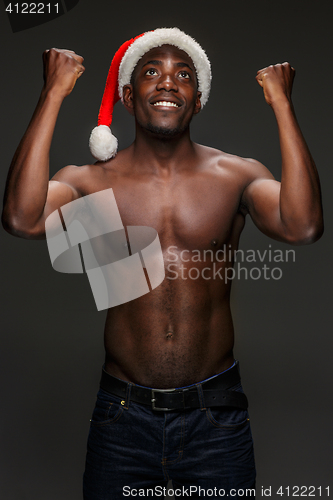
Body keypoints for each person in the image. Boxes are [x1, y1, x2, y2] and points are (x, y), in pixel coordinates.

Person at [2, 27, 323, 499]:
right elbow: (21, 218)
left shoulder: (237, 174)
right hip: (121, 415)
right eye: (152, 72)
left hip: (215, 415)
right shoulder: (92, 181)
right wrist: (52, 94)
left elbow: (302, 226)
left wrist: (282, 105)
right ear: (128, 97)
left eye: (184, 75)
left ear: (199, 98)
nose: (168, 82)